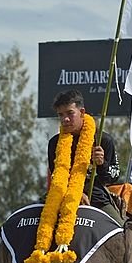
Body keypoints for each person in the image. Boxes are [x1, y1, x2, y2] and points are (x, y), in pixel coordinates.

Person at [47, 89, 121, 220]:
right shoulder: (54, 143)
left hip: (97, 196)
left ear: (82, 112)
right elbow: (55, 177)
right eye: (61, 115)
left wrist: (101, 163)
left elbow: (113, 177)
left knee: (121, 228)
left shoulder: (103, 140)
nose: (65, 119)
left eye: (70, 113)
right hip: (61, 195)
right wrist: (76, 194)